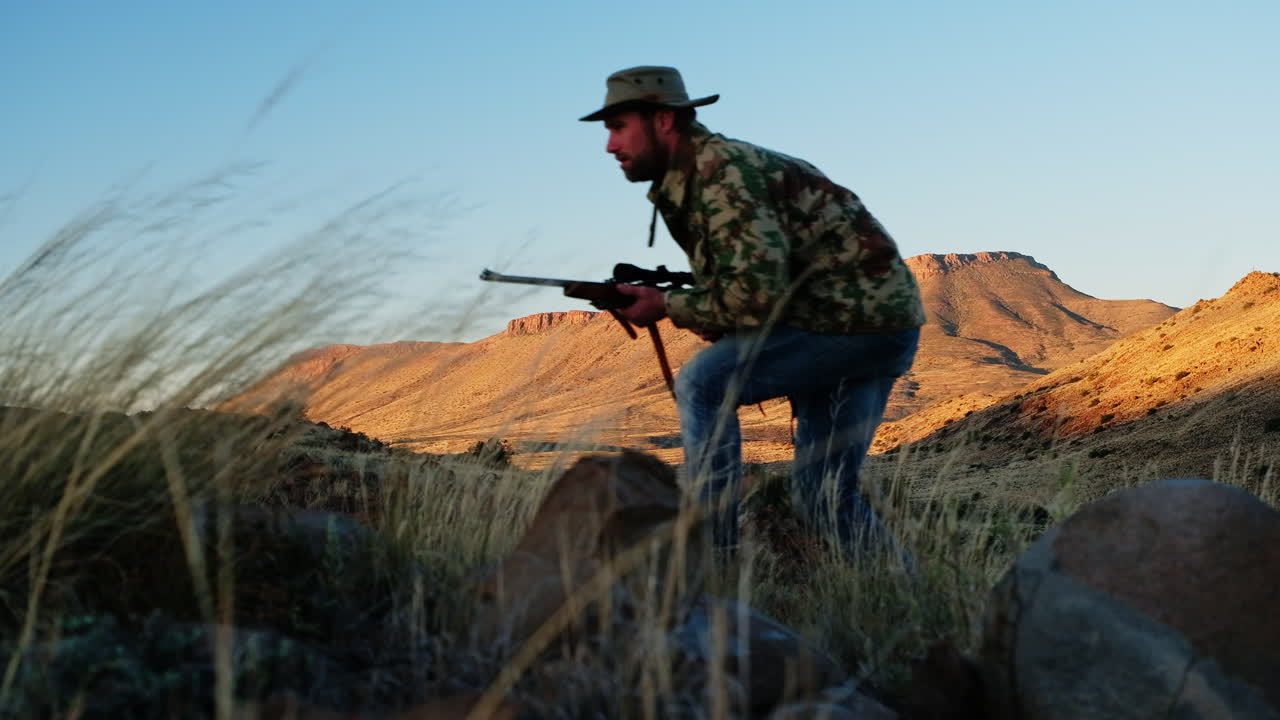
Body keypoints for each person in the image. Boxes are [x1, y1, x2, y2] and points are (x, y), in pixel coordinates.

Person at [580, 66, 925, 558]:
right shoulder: (706, 175)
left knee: (703, 382)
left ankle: (712, 557)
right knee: (823, 497)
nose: (610, 146)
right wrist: (677, 303)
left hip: (844, 325)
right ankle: (910, 602)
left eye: (617, 128)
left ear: (663, 121)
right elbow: (750, 294)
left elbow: (754, 299)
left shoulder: (722, 177)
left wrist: (665, 304)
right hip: (879, 326)